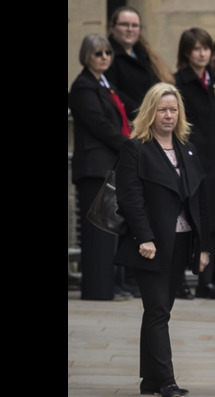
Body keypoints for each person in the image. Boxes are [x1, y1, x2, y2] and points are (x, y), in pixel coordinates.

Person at [114, 83, 210, 397]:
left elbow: (198, 199)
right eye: (161, 109)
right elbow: (131, 198)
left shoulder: (187, 147)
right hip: (151, 244)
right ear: (150, 112)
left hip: (181, 241)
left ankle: (150, 379)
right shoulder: (136, 147)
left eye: (173, 109)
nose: (168, 115)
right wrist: (145, 237)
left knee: (161, 309)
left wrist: (203, 246)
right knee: (157, 310)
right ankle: (166, 379)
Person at [69, 34, 134, 301]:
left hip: (109, 165)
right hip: (94, 167)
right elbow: (100, 126)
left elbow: (126, 111)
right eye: (98, 53)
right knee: (98, 231)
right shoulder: (83, 86)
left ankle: (112, 286)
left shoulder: (106, 84)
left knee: (110, 230)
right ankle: (98, 289)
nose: (104, 57)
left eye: (108, 52)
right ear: (87, 56)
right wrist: (129, 146)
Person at [175, 27, 215, 300]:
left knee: (213, 222)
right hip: (189, 159)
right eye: (196, 48)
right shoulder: (178, 82)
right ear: (187, 52)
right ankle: (179, 279)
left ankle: (207, 282)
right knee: (187, 220)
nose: (202, 53)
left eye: (206, 48)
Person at [105, 6, 174, 107]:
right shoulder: (106, 56)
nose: (130, 29)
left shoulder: (145, 55)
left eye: (135, 25)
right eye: (124, 24)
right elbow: (113, 93)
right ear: (113, 27)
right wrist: (141, 113)